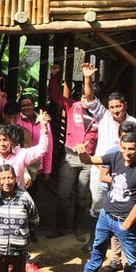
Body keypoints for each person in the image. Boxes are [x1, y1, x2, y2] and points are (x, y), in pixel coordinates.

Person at [74, 132, 136, 272]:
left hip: (124, 220)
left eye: (131, 149)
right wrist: (81, 153)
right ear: (119, 146)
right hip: (106, 215)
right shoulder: (115, 155)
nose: (127, 152)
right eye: (124, 148)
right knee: (98, 246)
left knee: (134, 260)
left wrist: (127, 224)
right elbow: (90, 160)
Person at [81, 63, 136, 249]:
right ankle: (94, 241)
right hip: (100, 170)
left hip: (125, 175)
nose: (115, 110)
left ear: (125, 105)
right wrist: (87, 78)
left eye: (118, 106)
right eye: (112, 107)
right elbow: (89, 98)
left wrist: (135, 170)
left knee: (121, 208)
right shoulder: (103, 117)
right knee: (97, 203)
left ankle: (118, 248)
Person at [47, 63, 99, 242]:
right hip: (70, 157)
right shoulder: (72, 105)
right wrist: (54, 77)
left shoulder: (99, 114)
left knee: (82, 195)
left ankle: (77, 228)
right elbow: (54, 96)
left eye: (89, 96)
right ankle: (60, 227)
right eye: (84, 95)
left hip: (88, 160)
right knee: (62, 193)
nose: (85, 99)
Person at [98, 121, 136, 272]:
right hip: (115, 199)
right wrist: (120, 181)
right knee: (115, 234)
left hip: (131, 202)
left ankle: (130, 266)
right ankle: (115, 260)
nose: (127, 150)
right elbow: (103, 176)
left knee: (129, 235)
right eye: (124, 139)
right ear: (119, 138)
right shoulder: (114, 153)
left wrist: (132, 183)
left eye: (132, 139)